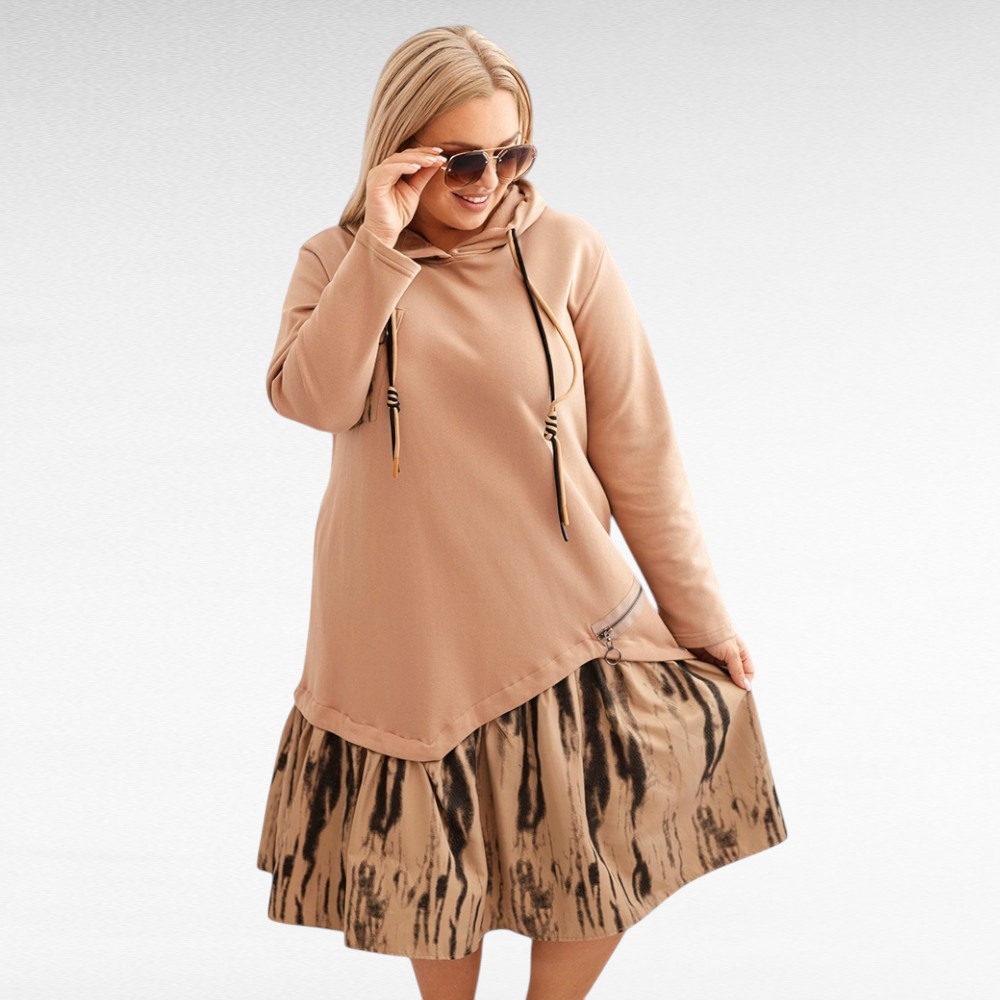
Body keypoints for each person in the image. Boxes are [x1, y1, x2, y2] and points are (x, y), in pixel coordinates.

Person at [256, 23, 788, 1000]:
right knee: (434, 879)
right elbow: (311, 398)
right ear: (400, 151)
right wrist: (380, 247)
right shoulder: (337, 260)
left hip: (560, 620)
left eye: (511, 154)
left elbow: (639, 450)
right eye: (461, 159)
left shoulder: (569, 254)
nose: (488, 180)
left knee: (602, 854)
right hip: (406, 640)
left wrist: (701, 617)